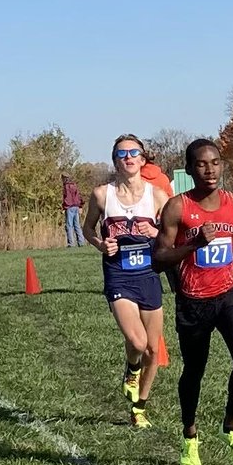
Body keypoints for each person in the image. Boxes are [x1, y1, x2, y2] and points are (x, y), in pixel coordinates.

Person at [154, 138, 233, 465]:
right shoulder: (177, 207)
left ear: (222, 165)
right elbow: (158, 259)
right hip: (193, 300)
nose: (210, 170)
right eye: (201, 164)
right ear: (189, 169)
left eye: (215, 163)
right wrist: (194, 244)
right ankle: (190, 435)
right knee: (194, 370)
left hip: (230, 293)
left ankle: (231, 426)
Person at [82, 134, 170, 428]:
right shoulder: (102, 195)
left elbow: (174, 233)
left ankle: (139, 408)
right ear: (115, 161)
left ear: (143, 160)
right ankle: (132, 369)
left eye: (134, 153)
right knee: (138, 341)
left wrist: (155, 233)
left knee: (154, 350)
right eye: (122, 154)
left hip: (148, 274)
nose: (128, 157)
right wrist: (100, 244)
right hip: (118, 274)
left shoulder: (157, 195)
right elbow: (87, 229)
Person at [62, 174, 85, 247]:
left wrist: (64, 207)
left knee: (69, 226)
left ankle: (71, 243)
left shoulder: (66, 186)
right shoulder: (74, 186)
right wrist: (80, 206)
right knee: (77, 225)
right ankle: (81, 242)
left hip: (69, 207)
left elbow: (66, 198)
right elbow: (79, 196)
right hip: (76, 206)